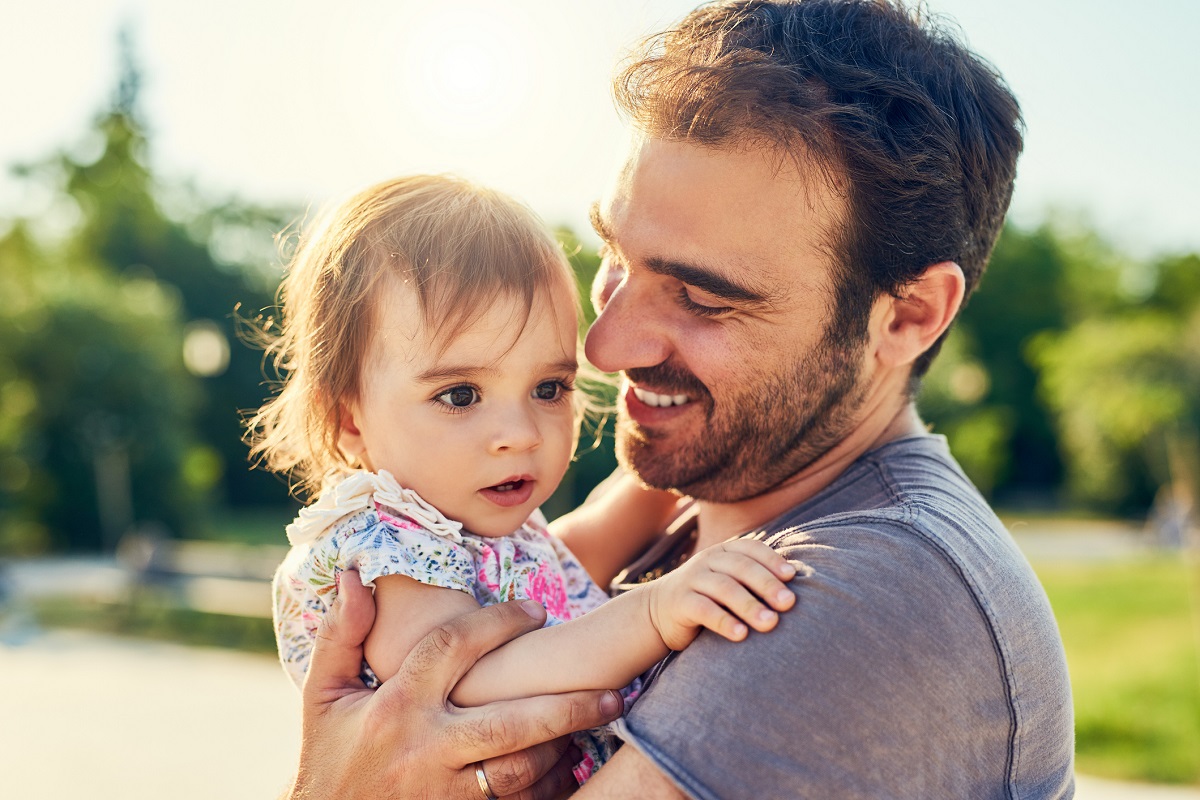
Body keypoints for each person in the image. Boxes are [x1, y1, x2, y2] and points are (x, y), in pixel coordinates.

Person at [286, 1, 1076, 797]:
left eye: (701, 296)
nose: (603, 347)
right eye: (616, 256)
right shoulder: (710, 494)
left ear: (906, 316)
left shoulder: (865, 589)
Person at [247, 175, 798, 785]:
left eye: (548, 388)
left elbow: (575, 552)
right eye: (460, 395)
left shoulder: (470, 516)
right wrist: (653, 613)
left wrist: (684, 454)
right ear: (349, 420)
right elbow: (468, 676)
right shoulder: (384, 546)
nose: (521, 432)